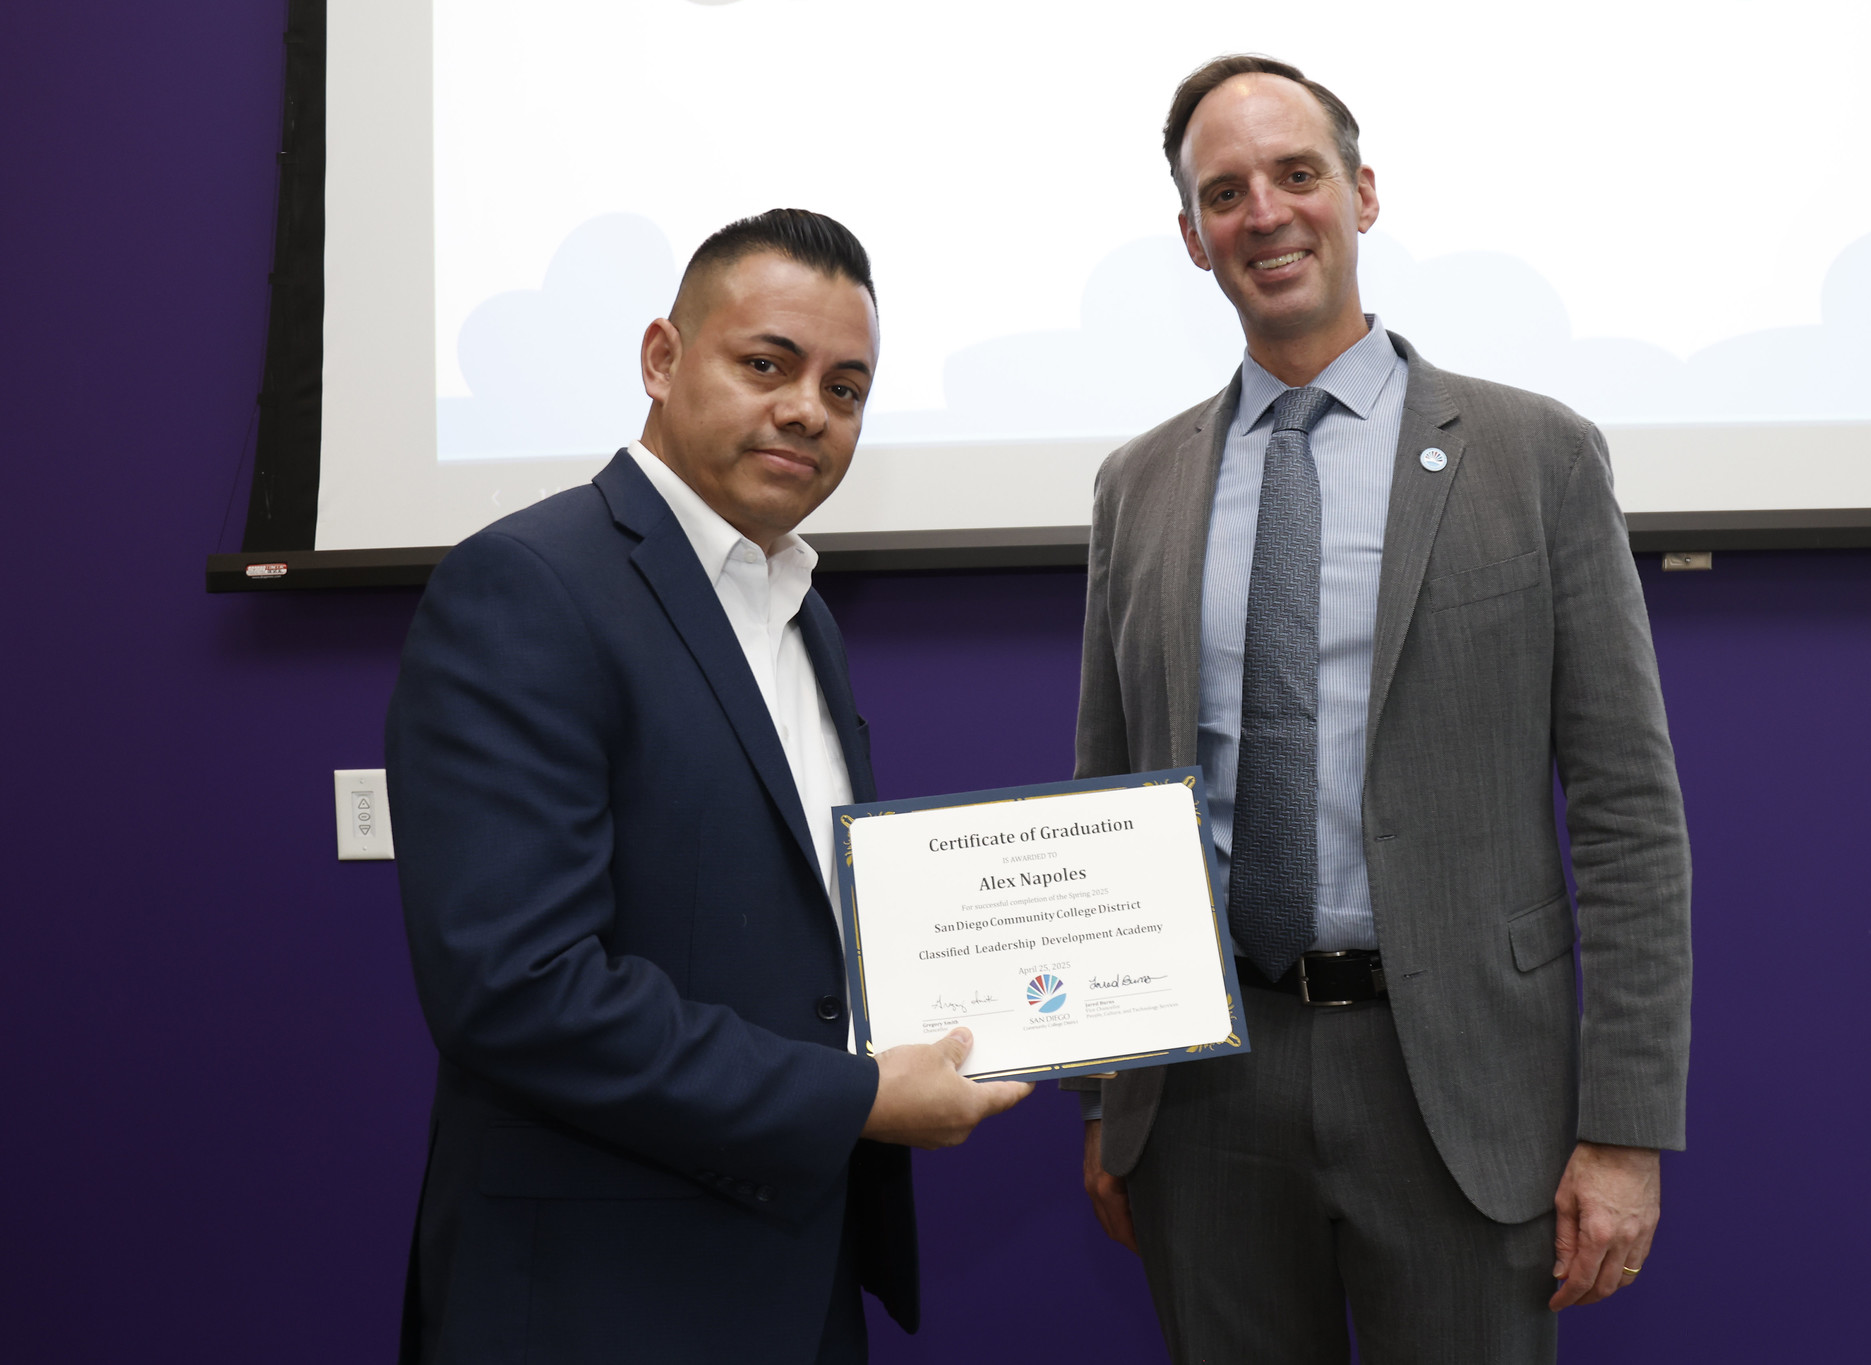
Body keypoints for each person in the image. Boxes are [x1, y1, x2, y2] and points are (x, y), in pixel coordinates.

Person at [1065, 57, 1692, 1363]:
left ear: (1362, 192)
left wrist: (1624, 1129)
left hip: (1459, 1082)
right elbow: (1108, 803)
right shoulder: (1139, 489)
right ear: (1192, 240)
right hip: (1207, 1088)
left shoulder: (1536, 455)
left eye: (1297, 174)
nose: (1266, 212)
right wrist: (1113, 1097)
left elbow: (1630, 814)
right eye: (1224, 192)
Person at [386, 208, 1031, 1365]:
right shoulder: (528, 587)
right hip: (602, 1303)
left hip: (787, 1274)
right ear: (660, 358)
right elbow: (518, 990)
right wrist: (858, 1101)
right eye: (766, 364)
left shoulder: (798, 612)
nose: (806, 410)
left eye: (845, 388)